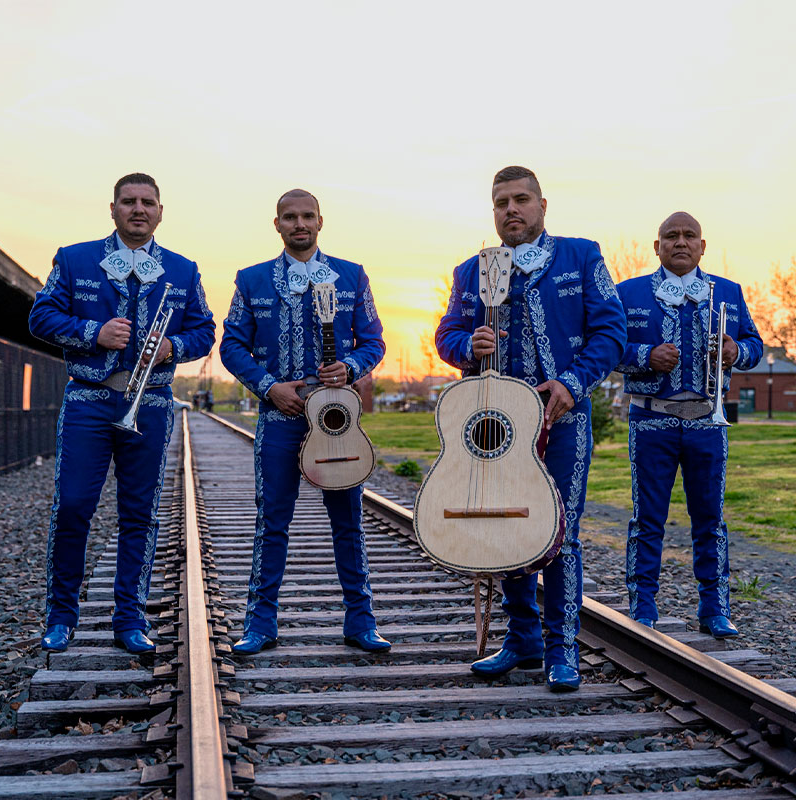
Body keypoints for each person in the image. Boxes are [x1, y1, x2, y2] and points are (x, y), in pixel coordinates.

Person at [435, 166, 627, 691]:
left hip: (564, 417)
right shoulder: (472, 269)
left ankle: (562, 649)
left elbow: (612, 330)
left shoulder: (582, 255)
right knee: (508, 525)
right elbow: (447, 333)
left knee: (559, 531)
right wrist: (464, 347)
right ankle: (521, 639)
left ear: (543, 205)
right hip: (497, 424)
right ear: (492, 210)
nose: (511, 210)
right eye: (501, 203)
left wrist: (572, 382)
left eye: (521, 200)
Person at [29, 173, 216, 654]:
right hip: (88, 399)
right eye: (128, 201)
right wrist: (93, 332)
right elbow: (41, 317)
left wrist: (173, 345)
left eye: (147, 202)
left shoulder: (183, 269)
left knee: (140, 513)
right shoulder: (74, 258)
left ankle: (128, 619)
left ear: (160, 211)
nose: (139, 209)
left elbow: (204, 330)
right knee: (72, 506)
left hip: (149, 404)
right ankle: (61, 616)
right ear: (112, 208)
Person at [220, 189, 389, 655]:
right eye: (290, 217)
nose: (300, 223)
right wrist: (267, 385)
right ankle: (260, 623)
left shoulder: (351, 276)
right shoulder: (251, 280)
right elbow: (231, 344)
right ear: (276, 224)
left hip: (337, 418)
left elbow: (374, 340)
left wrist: (351, 367)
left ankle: (361, 621)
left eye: (307, 216)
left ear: (320, 221)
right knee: (272, 521)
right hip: (280, 416)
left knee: (348, 522)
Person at [615, 212, 762, 637]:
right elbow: (606, 347)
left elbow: (756, 343)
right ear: (656, 246)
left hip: (707, 422)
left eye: (689, 236)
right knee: (648, 517)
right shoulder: (629, 293)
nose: (680, 242)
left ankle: (714, 608)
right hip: (651, 420)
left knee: (710, 518)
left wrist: (739, 352)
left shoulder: (729, 292)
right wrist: (645, 356)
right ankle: (642, 605)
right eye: (670, 236)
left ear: (702, 245)